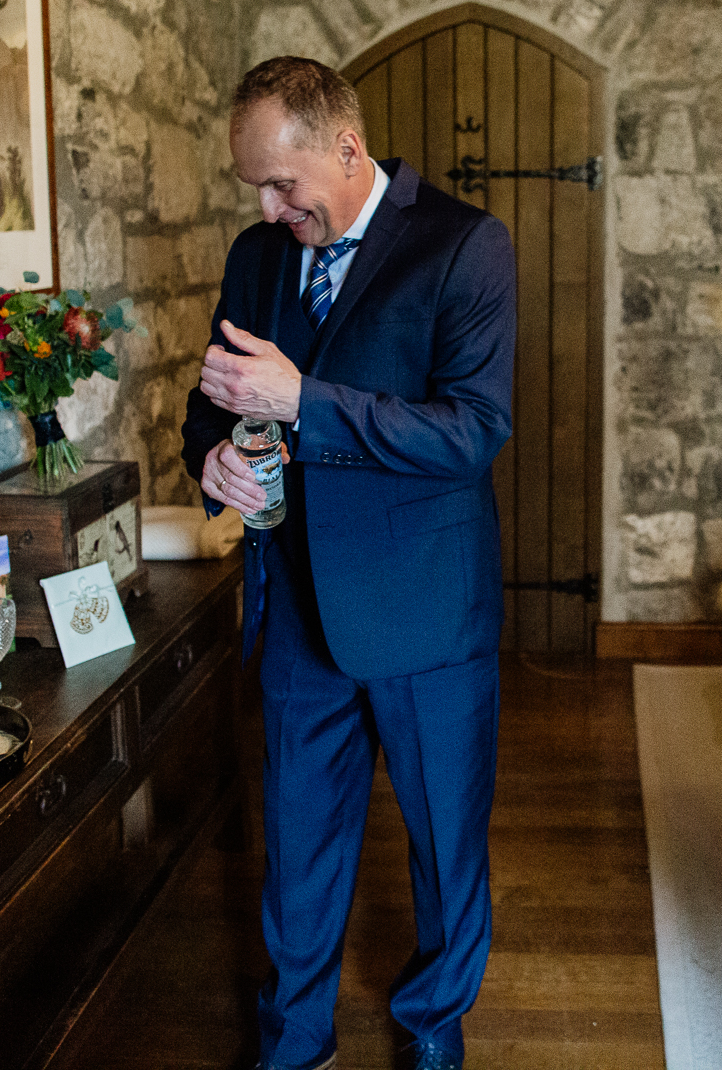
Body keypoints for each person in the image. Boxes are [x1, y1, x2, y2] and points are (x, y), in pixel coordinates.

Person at [182, 56, 517, 1070]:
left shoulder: (466, 245)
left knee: (444, 843)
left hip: (426, 614)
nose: (274, 209)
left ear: (346, 145)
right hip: (294, 611)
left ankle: (430, 1025)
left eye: (285, 185)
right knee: (296, 847)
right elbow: (216, 397)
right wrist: (212, 458)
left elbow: (473, 429)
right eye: (257, 191)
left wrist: (303, 402)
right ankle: (294, 1041)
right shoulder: (255, 256)